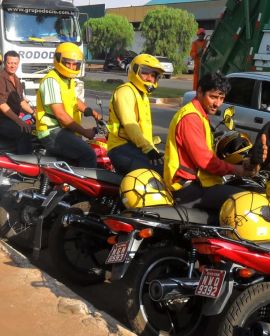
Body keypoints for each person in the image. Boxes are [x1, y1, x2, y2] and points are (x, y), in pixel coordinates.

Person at [163, 72, 267, 211]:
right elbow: (205, 161)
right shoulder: (190, 118)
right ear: (199, 91)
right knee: (252, 203)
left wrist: (243, 163)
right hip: (188, 187)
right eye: (213, 97)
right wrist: (237, 170)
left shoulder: (199, 114)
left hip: (201, 182)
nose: (217, 103)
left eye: (221, 98)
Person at [36, 42, 101, 168]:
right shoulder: (51, 81)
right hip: (52, 131)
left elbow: (73, 99)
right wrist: (85, 132)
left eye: (75, 64)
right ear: (58, 59)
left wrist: (90, 111)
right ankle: (84, 188)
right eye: (68, 63)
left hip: (63, 130)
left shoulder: (67, 80)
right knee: (89, 155)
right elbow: (60, 115)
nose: (71, 67)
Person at [107, 54, 164, 176]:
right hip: (120, 147)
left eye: (153, 75)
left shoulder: (142, 95)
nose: (149, 78)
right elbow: (130, 125)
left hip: (135, 147)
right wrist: (148, 149)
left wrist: (153, 147)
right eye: (145, 72)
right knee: (157, 173)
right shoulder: (125, 91)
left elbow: (143, 129)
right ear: (135, 70)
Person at [0, 50, 34, 154]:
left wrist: (34, 113)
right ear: (5, 63)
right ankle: (25, 164)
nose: (12, 66)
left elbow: (21, 101)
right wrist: (19, 121)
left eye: (15, 63)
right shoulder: (1, 78)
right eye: (10, 63)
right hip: (2, 121)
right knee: (24, 131)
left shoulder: (16, 79)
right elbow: (2, 104)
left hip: (11, 119)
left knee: (35, 128)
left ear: (18, 64)